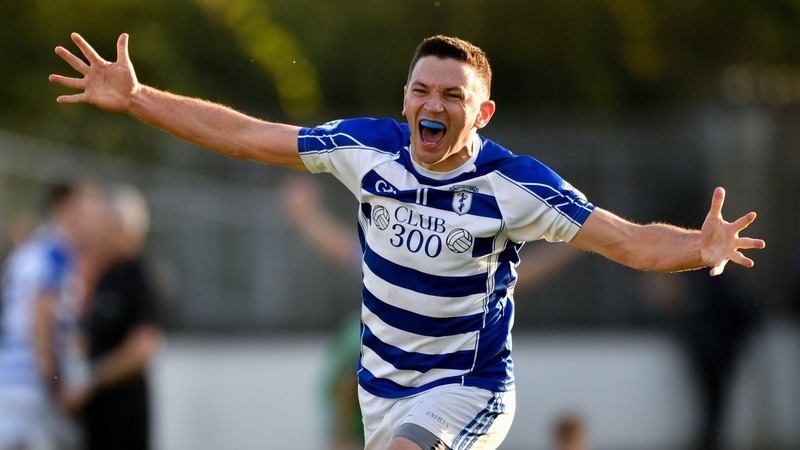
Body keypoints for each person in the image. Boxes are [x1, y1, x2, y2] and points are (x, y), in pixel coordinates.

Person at [49, 33, 765, 450]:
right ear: (404, 98)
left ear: (482, 112)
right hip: (381, 390)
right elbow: (245, 136)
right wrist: (138, 98)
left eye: (453, 96)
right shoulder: (367, 151)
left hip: (467, 389)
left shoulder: (513, 186)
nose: (433, 104)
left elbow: (628, 242)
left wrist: (699, 248)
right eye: (422, 90)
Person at [0, 181, 105, 450]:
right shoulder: (56, 254)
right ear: (65, 208)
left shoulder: (30, 251)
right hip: (35, 385)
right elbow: (42, 315)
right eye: (89, 209)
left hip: (11, 379)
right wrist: (57, 385)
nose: (95, 218)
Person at [65, 185, 164, 450]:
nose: (100, 233)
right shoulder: (104, 273)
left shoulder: (139, 277)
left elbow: (143, 347)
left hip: (124, 413)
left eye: (107, 226)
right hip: (98, 414)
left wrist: (93, 378)